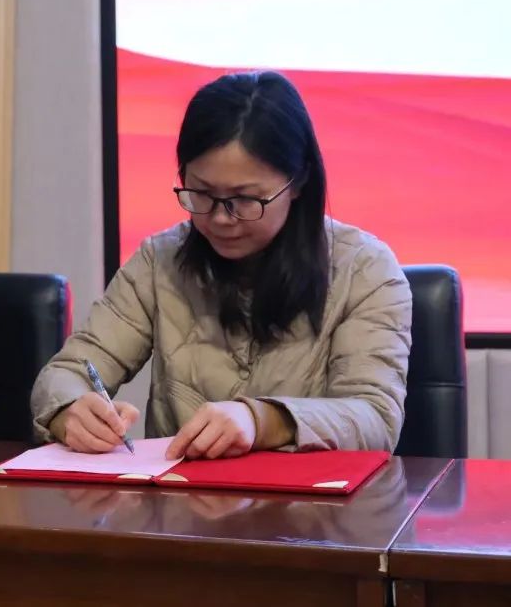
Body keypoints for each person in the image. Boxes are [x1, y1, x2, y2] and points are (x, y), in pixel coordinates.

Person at [31, 70, 412, 460]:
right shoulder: (160, 261)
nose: (220, 218)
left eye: (245, 199)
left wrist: (262, 420)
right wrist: (70, 409)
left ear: (298, 183)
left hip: (309, 499)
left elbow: (375, 418)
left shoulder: (365, 270)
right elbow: (67, 373)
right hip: (178, 496)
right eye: (201, 193)